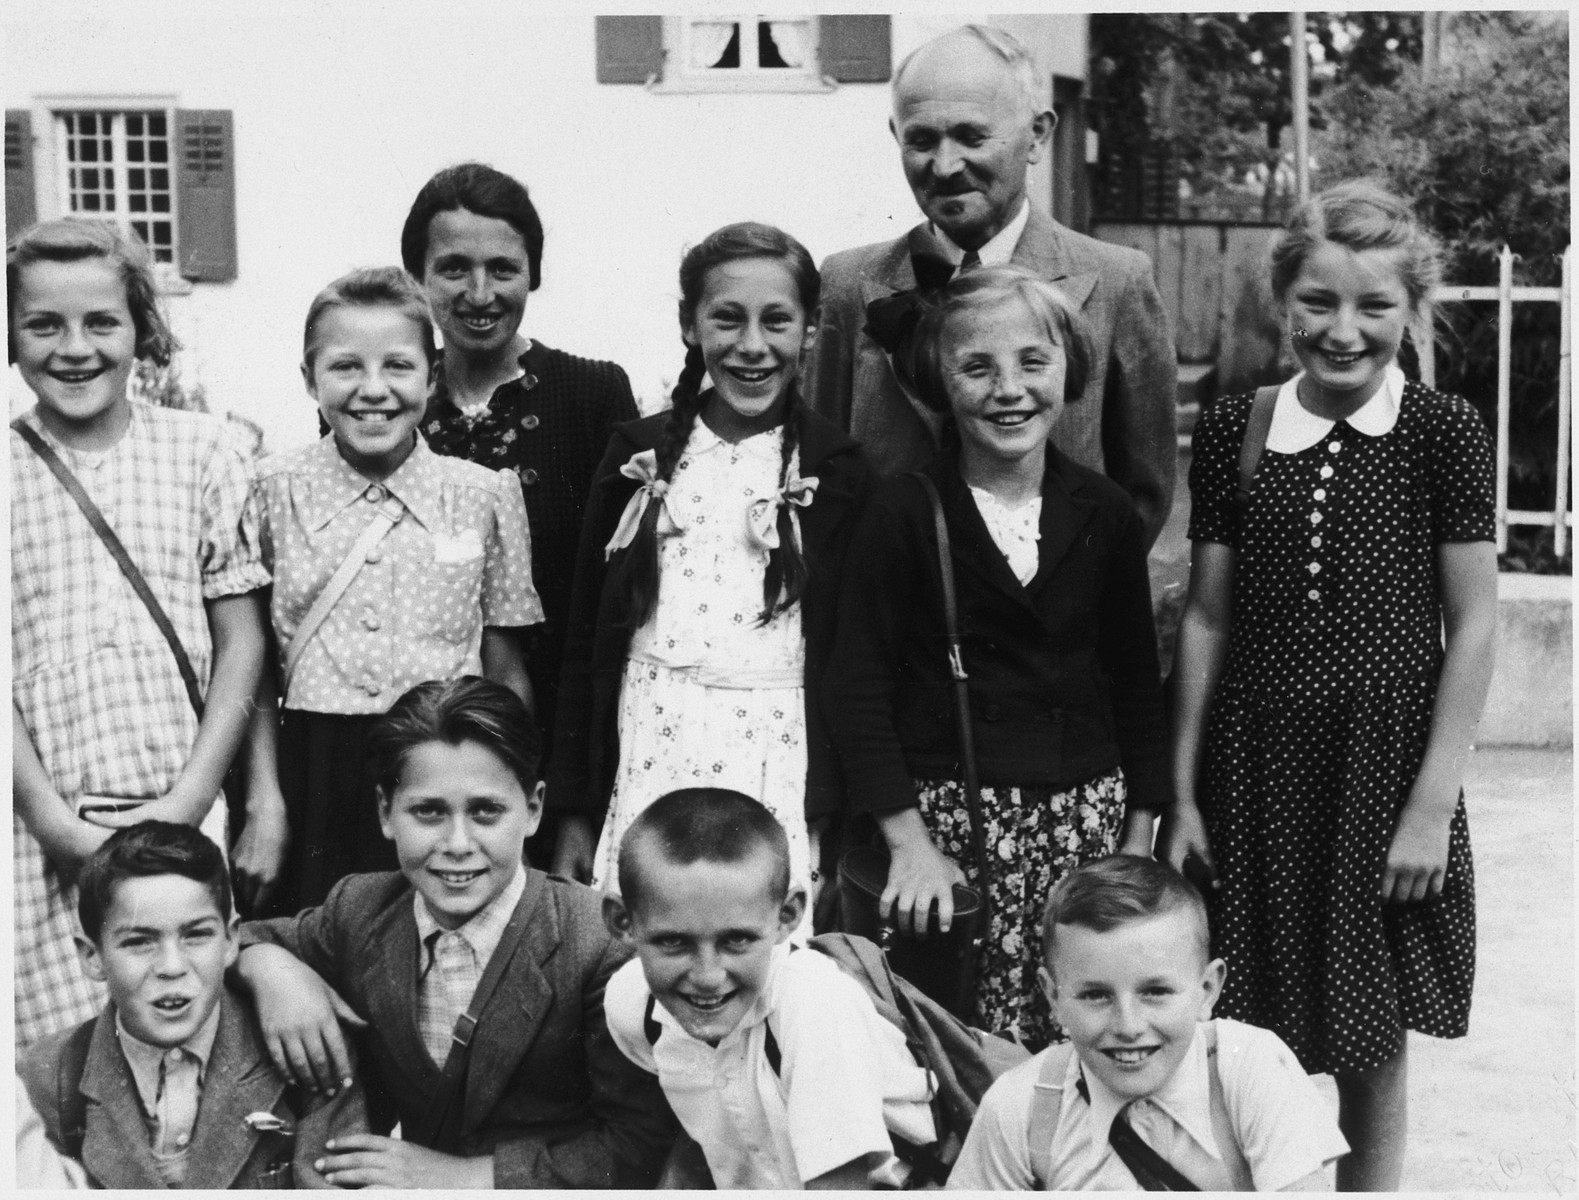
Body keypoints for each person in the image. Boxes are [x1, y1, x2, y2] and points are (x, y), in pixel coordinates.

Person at [1162, 180, 1497, 1191]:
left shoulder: (1441, 431)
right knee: (1233, 1022)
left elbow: (1475, 622)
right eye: (1317, 302)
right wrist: (1179, 793)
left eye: (1373, 306)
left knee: (1368, 1029)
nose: (1342, 331)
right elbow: (1208, 616)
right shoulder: (1237, 428)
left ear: (1413, 311)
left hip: (1382, 775)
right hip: (1254, 769)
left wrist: (1429, 805)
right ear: (1280, 301)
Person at [823, 265, 1168, 1047]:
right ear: (940, 383)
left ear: (1069, 370)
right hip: (951, 831)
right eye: (977, 368)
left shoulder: (1104, 513)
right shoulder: (905, 512)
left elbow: (1134, 682)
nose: (1007, 389)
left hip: (1083, 826)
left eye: (1031, 363)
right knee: (950, 1042)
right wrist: (909, 844)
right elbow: (857, 686)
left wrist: (1138, 834)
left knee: (1086, 1031)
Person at [233, 677, 677, 1189]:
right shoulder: (361, 909)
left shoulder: (595, 942)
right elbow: (233, 939)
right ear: (385, 812)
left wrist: (464, 1176)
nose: (458, 843)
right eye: (429, 811)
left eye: (486, 811)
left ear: (533, 810)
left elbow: (639, 1143)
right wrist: (269, 967)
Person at [549, 222, 872, 896]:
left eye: (776, 321)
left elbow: (851, 661)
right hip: (647, 743)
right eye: (727, 318)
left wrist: (831, 813)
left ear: (810, 330)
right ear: (688, 324)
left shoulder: (836, 471)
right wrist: (577, 811)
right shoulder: (636, 458)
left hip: (775, 753)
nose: (751, 346)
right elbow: (587, 641)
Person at [9, 219, 270, 1046]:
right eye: (43, 324)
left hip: (180, 799)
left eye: (101, 323)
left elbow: (243, 643)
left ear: (141, 331)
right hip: (35, 824)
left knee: (190, 1027)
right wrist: (53, 822)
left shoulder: (205, 452)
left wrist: (191, 801)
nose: (74, 348)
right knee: (61, 1059)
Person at [805, 24, 1176, 550]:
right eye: (921, 139)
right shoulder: (846, 283)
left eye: (972, 136)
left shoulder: (1117, 281)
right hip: (894, 620)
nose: (945, 165)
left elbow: (1144, 491)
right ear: (896, 136)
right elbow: (820, 472)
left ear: (1038, 135)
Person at [245, 266, 541, 911]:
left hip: (446, 771)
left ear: (432, 378)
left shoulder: (484, 494)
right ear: (308, 378)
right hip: (312, 774)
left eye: (398, 367)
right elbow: (256, 668)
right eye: (346, 367)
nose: (372, 390)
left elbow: (505, 664)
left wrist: (510, 795)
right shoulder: (268, 492)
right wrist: (264, 803)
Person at [402, 163, 640, 793]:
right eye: (454, 268)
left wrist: (575, 798)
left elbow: (609, 610)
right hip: (419, 749)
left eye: (503, 269)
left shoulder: (593, 394)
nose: (480, 294)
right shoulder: (384, 403)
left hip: (562, 746)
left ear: (533, 272)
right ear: (417, 277)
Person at [949, 855, 1349, 1190]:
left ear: (1207, 989)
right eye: (1095, 995)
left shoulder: (1251, 1070)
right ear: (1053, 996)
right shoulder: (1022, 1107)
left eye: (1155, 992)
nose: (1128, 1025)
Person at [602, 789, 936, 1189]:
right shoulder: (631, 1004)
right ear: (622, 922)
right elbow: (706, 1122)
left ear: (788, 915)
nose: (708, 976)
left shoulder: (814, 1004)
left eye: (737, 940)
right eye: (674, 942)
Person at [19, 822, 366, 1188]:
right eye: (139, 941)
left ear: (231, 940)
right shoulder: (50, 1076)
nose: (172, 967)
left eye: (197, 935)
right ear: (93, 957)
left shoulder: (308, 1051)